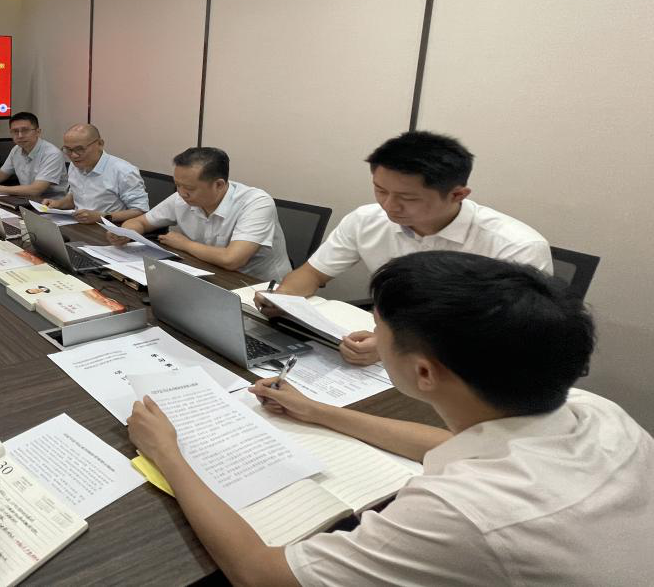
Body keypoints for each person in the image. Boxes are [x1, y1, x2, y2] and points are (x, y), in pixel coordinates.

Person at [129, 251, 653, 587]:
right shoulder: (596, 410)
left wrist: (168, 454)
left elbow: (257, 573)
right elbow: (446, 445)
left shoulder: (459, 513)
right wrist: (320, 412)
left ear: (424, 371)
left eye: (379, 328)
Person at [264, 131, 551, 365]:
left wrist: (396, 346)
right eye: (380, 190)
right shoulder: (366, 220)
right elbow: (312, 273)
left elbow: (506, 338)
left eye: (408, 198)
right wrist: (284, 299)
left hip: (462, 361)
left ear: (457, 194)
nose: (389, 206)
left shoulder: (516, 247)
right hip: (386, 346)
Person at [110, 146, 291, 281]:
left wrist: (185, 244)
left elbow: (231, 260)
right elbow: (140, 222)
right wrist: (125, 233)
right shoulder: (182, 197)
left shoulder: (256, 202)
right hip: (207, 275)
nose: (181, 193)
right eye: (177, 185)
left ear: (219, 185)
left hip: (258, 289)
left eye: (189, 188)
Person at [42, 123, 148, 224]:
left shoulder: (123, 171)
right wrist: (59, 204)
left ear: (100, 144)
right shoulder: (74, 165)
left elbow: (140, 211)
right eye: (68, 149)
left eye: (79, 149)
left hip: (110, 229)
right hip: (78, 224)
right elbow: (75, 196)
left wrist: (102, 216)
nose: (73, 155)